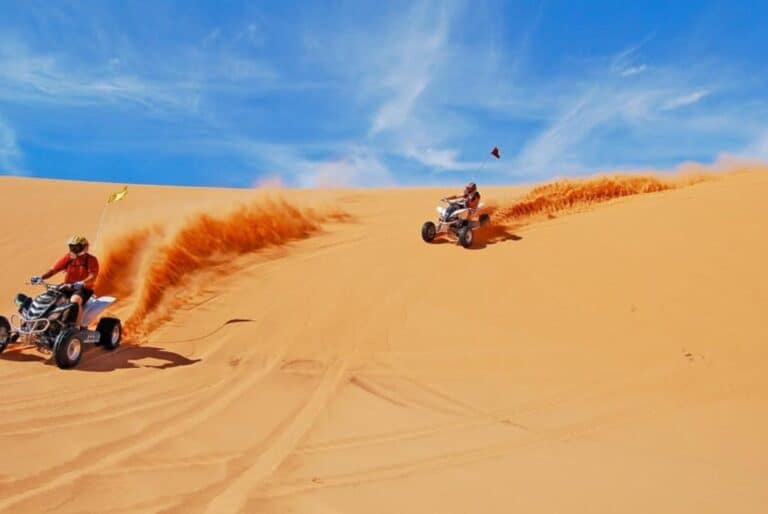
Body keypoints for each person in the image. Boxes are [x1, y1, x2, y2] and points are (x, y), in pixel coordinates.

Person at [31, 235, 100, 328]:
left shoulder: (91, 260)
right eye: (71, 246)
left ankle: (76, 327)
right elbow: (53, 269)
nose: (73, 249)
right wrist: (41, 277)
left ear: (84, 246)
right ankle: (41, 323)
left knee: (75, 301)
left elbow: (93, 275)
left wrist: (82, 282)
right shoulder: (69, 257)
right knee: (49, 297)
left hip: (83, 289)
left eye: (76, 247)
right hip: (67, 286)